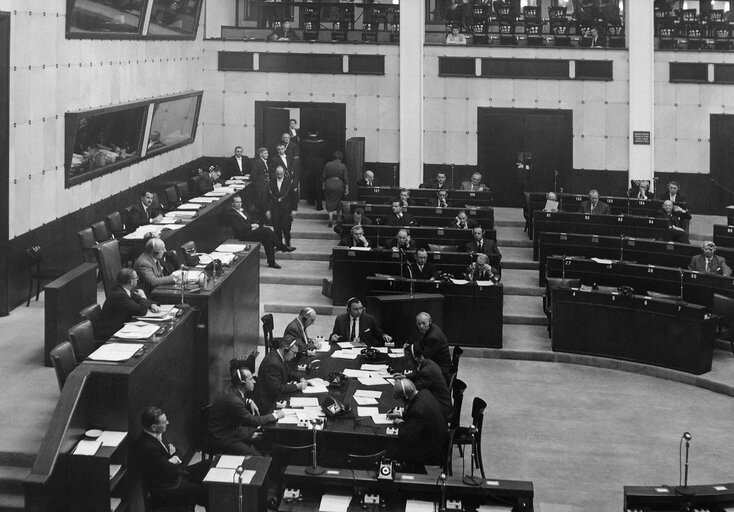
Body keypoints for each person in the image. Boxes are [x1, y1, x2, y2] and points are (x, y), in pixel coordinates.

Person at [133, 407, 210, 509]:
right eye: (164, 422)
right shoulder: (148, 447)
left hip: (173, 475)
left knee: (208, 465)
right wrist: (174, 458)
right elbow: (170, 468)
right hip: (167, 487)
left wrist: (173, 459)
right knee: (205, 491)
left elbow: (178, 452)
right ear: (154, 427)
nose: (168, 423)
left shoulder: (156, 434)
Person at [208, 363, 285, 455]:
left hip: (231, 429)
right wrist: (276, 415)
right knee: (256, 457)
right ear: (243, 383)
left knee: (267, 436)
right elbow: (254, 421)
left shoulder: (232, 390)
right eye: (251, 379)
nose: (254, 382)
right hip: (224, 437)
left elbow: (239, 399)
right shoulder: (234, 401)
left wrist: (249, 401)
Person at [387, 379, 448, 472]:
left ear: (406, 397)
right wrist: (402, 414)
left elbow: (407, 435)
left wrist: (401, 423)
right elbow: (417, 417)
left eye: (399, 397)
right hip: (438, 438)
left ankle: (408, 477)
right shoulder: (424, 393)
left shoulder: (418, 411)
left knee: (393, 450)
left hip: (432, 449)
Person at [225, 195, 294, 269]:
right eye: (237, 202)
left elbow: (251, 220)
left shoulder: (243, 210)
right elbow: (238, 228)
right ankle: (281, 246)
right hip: (243, 235)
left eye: (240, 202)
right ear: (232, 203)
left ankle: (271, 262)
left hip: (251, 231)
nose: (239, 204)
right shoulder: (231, 214)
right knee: (266, 230)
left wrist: (256, 224)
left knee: (267, 238)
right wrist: (251, 226)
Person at [96, 268, 160, 340]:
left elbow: (137, 300)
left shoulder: (122, 289)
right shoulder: (119, 295)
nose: (137, 279)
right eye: (136, 278)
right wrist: (143, 296)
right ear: (131, 281)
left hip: (120, 328)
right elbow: (141, 311)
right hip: (110, 335)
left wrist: (151, 304)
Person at [397, 344, 453, 422]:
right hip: (439, 401)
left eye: (408, 359)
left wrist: (401, 414)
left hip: (440, 408)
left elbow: (413, 392)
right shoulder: (427, 362)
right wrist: (405, 377)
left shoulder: (427, 372)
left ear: (415, 359)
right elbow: (416, 375)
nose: (407, 362)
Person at [254, 338, 309, 413]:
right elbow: (277, 388)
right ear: (285, 349)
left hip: (275, 396)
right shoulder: (273, 363)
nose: (295, 356)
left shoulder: (279, 355)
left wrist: (300, 378)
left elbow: (287, 372)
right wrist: (297, 386)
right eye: (294, 353)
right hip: (268, 402)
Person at [268, 165, 298, 251]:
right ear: (275, 173)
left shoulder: (289, 182)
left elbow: (294, 197)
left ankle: (287, 244)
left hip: (286, 209)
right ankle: (279, 245)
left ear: (284, 173)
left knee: (286, 227)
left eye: (281, 174)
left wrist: (294, 209)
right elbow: (268, 197)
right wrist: (268, 210)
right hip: (275, 208)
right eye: (278, 174)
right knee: (277, 228)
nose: (279, 176)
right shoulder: (271, 182)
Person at [301, 132, 327, 209]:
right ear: (317, 133)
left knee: (310, 183)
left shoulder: (305, 142)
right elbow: (324, 155)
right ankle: (319, 205)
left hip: (309, 165)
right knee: (318, 185)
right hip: (319, 165)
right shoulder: (322, 143)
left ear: (309, 133)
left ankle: (311, 201)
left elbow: (303, 155)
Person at [322, 151, 348, 228]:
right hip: (339, 184)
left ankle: (330, 217)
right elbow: (346, 179)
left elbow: (323, 176)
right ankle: (338, 218)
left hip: (328, 183)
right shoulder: (343, 166)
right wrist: (347, 188)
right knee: (338, 200)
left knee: (329, 200)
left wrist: (323, 185)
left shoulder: (327, 164)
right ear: (341, 158)